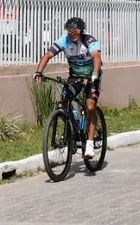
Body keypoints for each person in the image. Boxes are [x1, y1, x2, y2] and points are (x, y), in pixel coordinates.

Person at [33, 16, 103, 159]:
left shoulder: (89, 40)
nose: (72, 33)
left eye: (75, 31)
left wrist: (95, 73)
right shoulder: (63, 41)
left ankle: (89, 144)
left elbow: (96, 57)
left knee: (90, 106)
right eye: (69, 31)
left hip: (91, 77)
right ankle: (71, 128)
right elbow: (48, 55)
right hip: (75, 76)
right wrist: (39, 71)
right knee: (64, 100)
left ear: (81, 31)